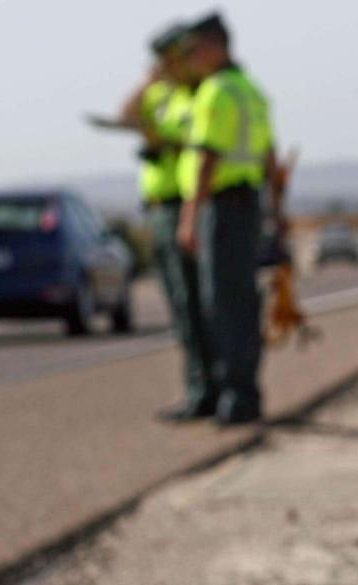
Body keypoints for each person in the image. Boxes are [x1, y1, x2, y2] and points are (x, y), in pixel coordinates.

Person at [176, 12, 282, 426]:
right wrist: (277, 208)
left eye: (195, 50)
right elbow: (270, 156)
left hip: (221, 207)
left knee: (222, 303)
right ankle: (244, 392)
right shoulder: (251, 91)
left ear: (216, 46)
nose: (192, 59)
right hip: (248, 204)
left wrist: (189, 217)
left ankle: (235, 396)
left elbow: (207, 158)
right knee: (242, 301)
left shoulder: (216, 92)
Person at [121, 22, 217, 422]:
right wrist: (147, 82)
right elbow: (126, 115)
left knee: (193, 303)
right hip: (159, 207)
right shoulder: (161, 94)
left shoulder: (193, 97)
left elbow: (201, 148)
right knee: (181, 306)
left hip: (183, 205)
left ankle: (207, 390)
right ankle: (200, 387)